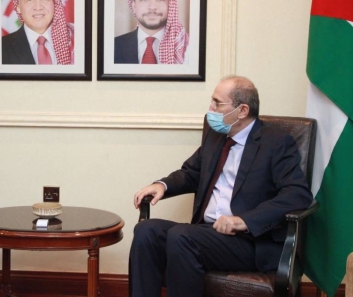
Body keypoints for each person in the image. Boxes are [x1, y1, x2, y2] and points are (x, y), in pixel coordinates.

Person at [129, 76, 313, 297]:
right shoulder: (217, 137)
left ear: (242, 110)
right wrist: (163, 185)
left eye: (217, 103)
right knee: (146, 231)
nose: (210, 108)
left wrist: (244, 221)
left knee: (181, 236)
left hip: (248, 241)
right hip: (207, 233)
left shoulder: (276, 143)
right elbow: (192, 172)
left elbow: (297, 194)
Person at [115, 0, 189, 64]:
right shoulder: (112, 46)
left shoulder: (188, 47)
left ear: (171, 5)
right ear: (134, 6)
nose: (152, 7)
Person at [2, 0, 73, 65]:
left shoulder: (75, 41)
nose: (38, 7)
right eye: (29, 0)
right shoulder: (0, 48)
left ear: (54, 3)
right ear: (18, 8)